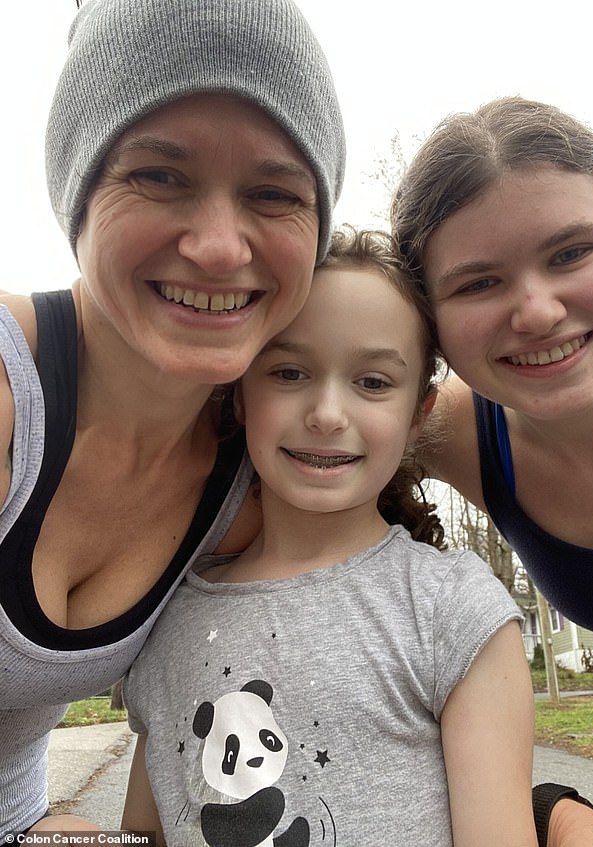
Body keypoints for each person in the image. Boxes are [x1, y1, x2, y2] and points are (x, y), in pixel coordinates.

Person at [0, 0, 344, 840]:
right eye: (159, 175)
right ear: (77, 194)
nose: (222, 247)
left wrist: (553, 806)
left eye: (274, 192)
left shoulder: (256, 480)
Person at [120, 228, 538, 847]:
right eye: (289, 372)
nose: (327, 413)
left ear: (418, 414)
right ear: (239, 393)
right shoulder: (168, 611)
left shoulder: (451, 609)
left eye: (372, 382)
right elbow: (140, 834)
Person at [391, 95, 593, 846]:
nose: (535, 309)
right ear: (429, 319)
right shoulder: (452, 429)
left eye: (570, 253)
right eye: (479, 283)